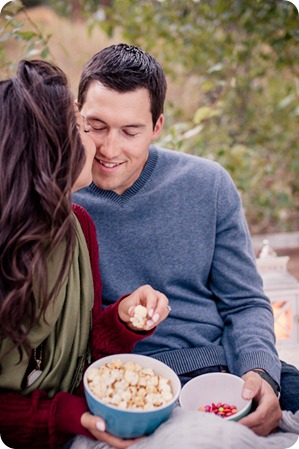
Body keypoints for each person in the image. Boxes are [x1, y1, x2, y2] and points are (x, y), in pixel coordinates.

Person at [73, 43, 299, 439]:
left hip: (220, 369)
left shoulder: (207, 185)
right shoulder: (58, 197)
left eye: (130, 131)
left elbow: (244, 302)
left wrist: (260, 372)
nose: (109, 149)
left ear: (157, 126)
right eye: (96, 126)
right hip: (122, 385)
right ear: (77, 117)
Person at [0, 59, 171, 449]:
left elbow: (86, 352)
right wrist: (71, 416)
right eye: (85, 128)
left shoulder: (79, 226)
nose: (100, 146)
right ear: (46, 148)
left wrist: (124, 319)